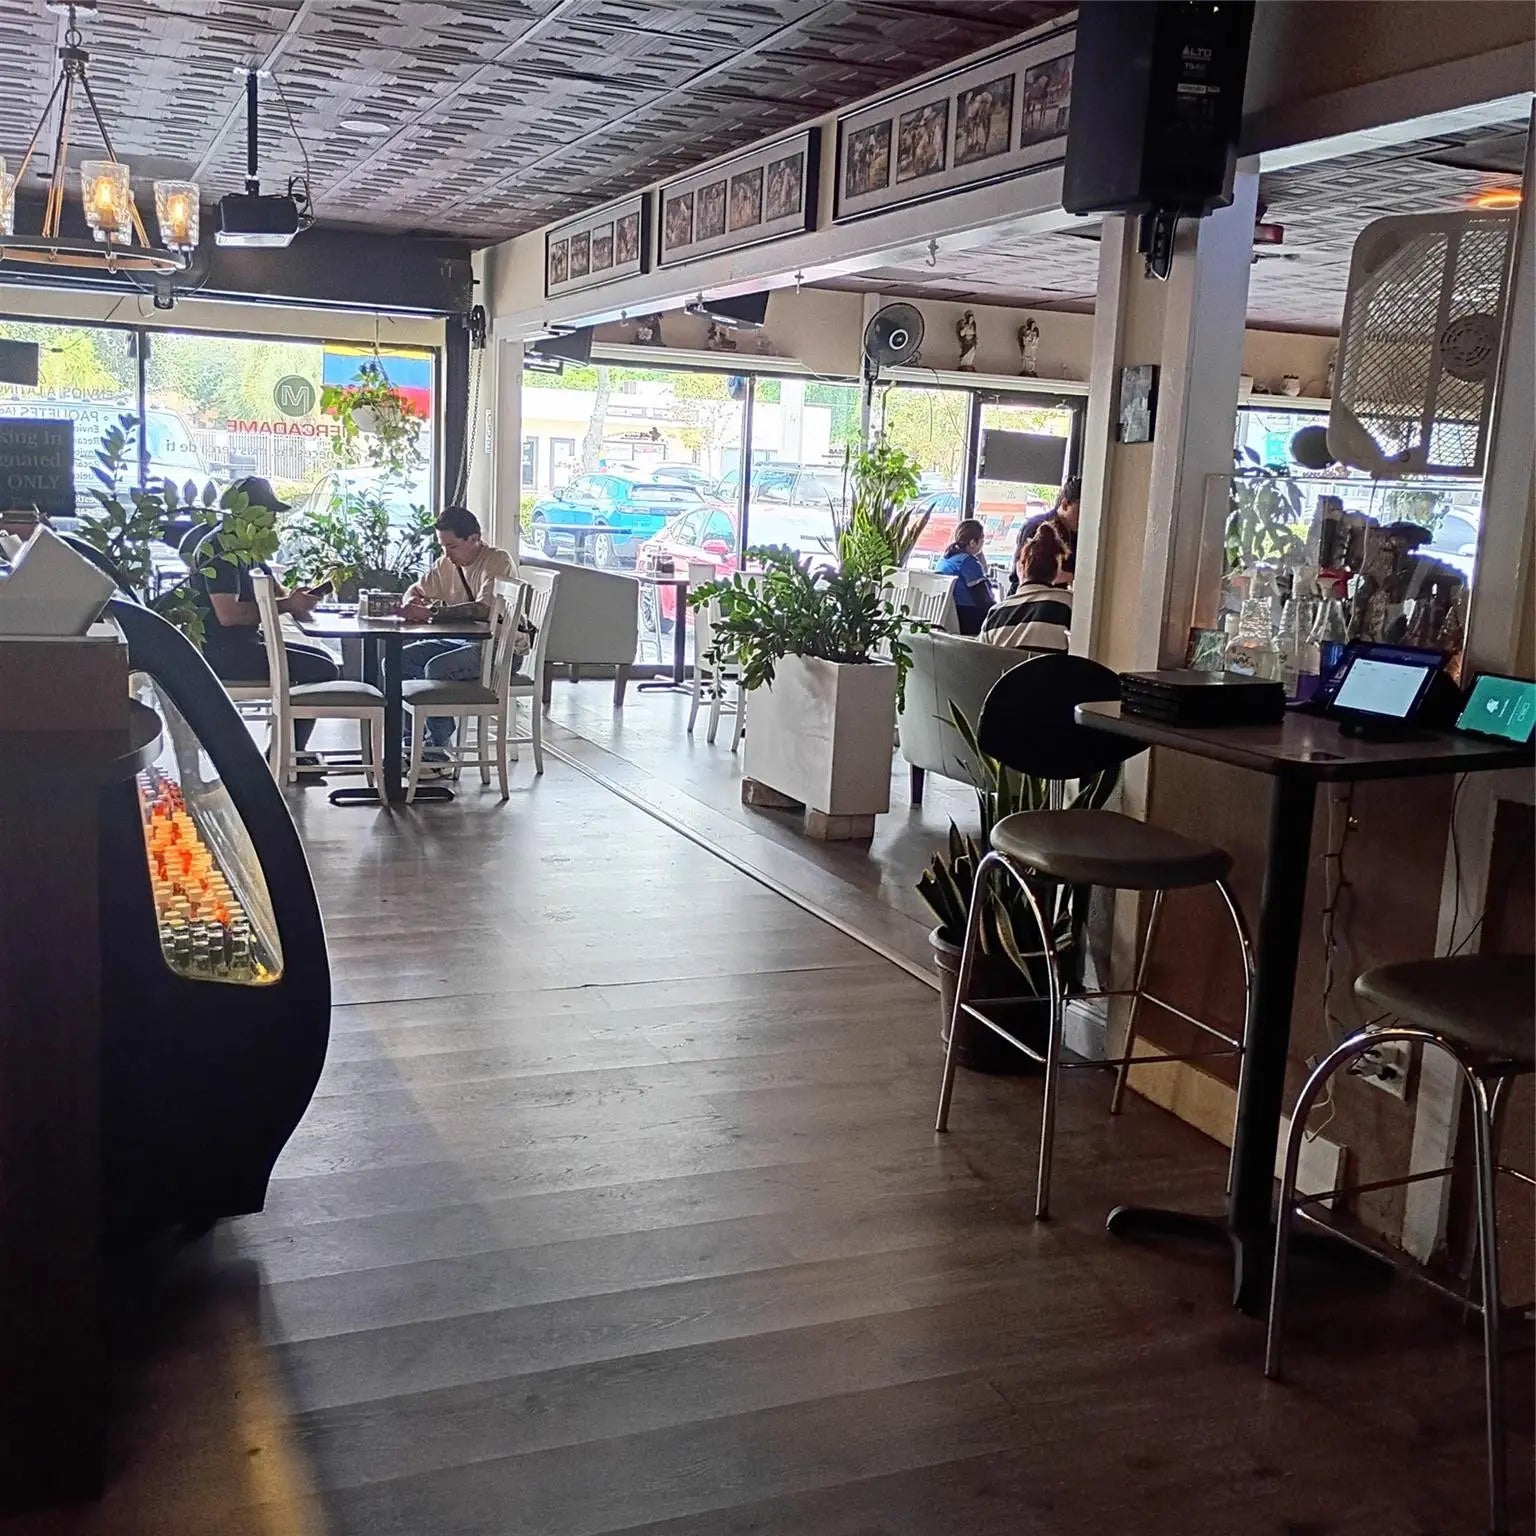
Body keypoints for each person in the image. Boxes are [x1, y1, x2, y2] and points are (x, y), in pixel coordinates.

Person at [190, 476, 337, 775]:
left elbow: (276, 592)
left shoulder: (247, 548)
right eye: (268, 513)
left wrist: (297, 598)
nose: (273, 520)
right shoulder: (219, 551)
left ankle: (287, 751)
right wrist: (287, 605)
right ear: (247, 512)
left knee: (323, 661)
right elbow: (228, 615)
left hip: (245, 645)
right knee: (322, 669)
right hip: (222, 653)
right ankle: (286, 754)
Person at [397, 506, 518, 770]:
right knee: (397, 661)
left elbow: (484, 609)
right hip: (462, 642)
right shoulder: (446, 564)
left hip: (500, 648)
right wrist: (410, 602)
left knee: (437, 667)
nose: (447, 554)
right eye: (443, 547)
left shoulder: (497, 561)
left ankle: (436, 753)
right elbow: (416, 589)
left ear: (474, 539)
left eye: (452, 547)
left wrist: (431, 612)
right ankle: (409, 744)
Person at [982, 521, 1072, 650]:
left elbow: (981, 658)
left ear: (1021, 567)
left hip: (1005, 664)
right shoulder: (1070, 605)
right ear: (1057, 571)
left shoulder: (995, 614)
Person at [1009, 475, 1080, 593]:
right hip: (1028, 595)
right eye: (1079, 512)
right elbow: (1024, 571)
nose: (1082, 519)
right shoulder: (1036, 526)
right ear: (1065, 504)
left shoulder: (1075, 535)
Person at [932, 518, 995, 637]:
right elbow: (983, 599)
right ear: (972, 542)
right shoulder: (968, 562)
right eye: (982, 539)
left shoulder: (945, 559)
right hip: (969, 617)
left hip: (949, 616)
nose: (983, 542)